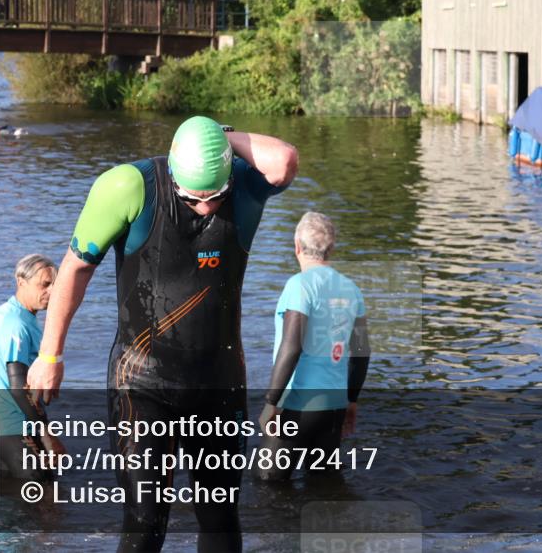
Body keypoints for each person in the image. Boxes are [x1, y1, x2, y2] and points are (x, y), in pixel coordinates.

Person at [27, 116, 298, 552]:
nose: (207, 207)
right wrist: (50, 355)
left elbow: (284, 159)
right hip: (141, 383)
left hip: (218, 382)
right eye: (193, 197)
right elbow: (75, 270)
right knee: (145, 519)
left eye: (216, 196)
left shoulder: (244, 184)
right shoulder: (127, 188)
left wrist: (218, 138)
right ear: (173, 173)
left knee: (220, 516)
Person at [256, 212, 370, 481]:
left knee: (267, 484)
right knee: (323, 485)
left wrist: (272, 402)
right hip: (333, 405)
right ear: (332, 248)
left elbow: (291, 347)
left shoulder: (299, 286)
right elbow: (362, 352)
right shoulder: (351, 288)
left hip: (297, 404)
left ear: (296, 246)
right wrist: (351, 400)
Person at [0, 254, 65, 481]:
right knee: (46, 501)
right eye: (44, 285)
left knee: (15, 502)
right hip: (15, 427)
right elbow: (19, 386)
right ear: (21, 281)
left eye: (54, 286)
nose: (51, 292)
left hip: (1, 427)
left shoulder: (10, 313)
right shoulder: (16, 325)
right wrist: (47, 434)